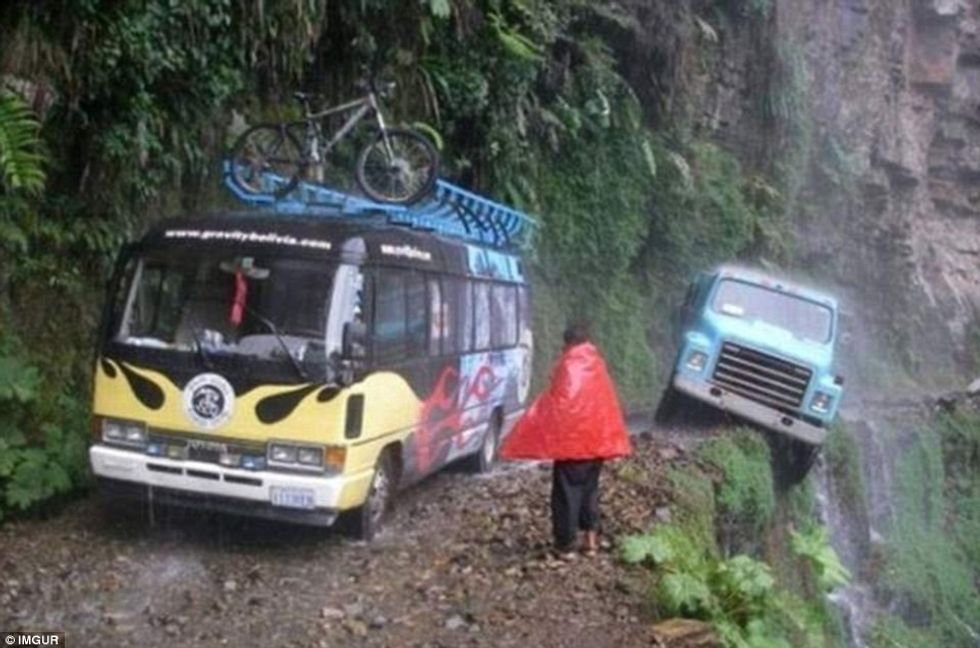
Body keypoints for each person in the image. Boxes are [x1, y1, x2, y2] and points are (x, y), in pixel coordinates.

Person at [500, 321, 631, 557]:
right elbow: (605, 403)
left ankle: (566, 544)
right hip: (596, 446)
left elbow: (559, 402)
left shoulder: (568, 365)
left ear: (568, 342)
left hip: (572, 447)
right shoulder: (597, 364)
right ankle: (591, 542)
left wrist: (535, 421)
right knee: (590, 492)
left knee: (566, 494)